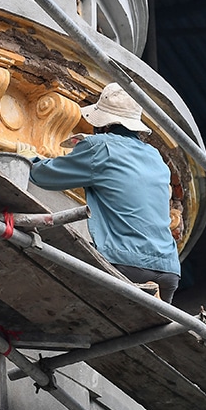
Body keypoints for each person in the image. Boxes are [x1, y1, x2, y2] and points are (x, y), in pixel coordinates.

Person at [26, 82, 180, 303]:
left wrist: (28, 159)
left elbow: (45, 176)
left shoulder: (99, 147)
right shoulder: (155, 157)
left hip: (126, 263)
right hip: (169, 270)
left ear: (103, 125)